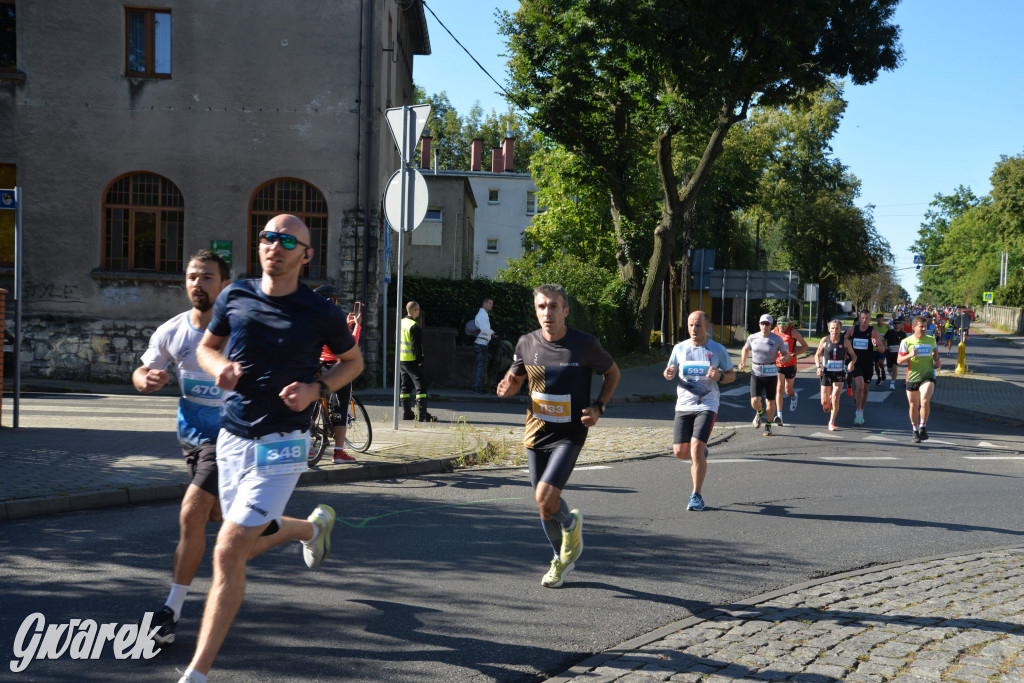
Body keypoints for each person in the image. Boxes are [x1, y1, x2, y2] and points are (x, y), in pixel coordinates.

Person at [179, 215, 364, 683]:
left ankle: (196, 674)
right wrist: (218, 366)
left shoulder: (320, 311)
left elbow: (353, 362)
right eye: (267, 237)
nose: (273, 246)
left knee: (227, 549)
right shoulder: (235, 295)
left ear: (306, 254)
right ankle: (309, 528)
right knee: (236, 534)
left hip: (284, 442)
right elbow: (207, 346)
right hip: (233, 437)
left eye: (286, 240)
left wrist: (315, 389)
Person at [132, 250, 230, 646]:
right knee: (221, 518)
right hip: (190, 440)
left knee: (191, 512)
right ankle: (303, 528)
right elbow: (141, 370)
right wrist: (145, 380)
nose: (198, 283)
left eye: (207, 277)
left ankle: (170, 612)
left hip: (229, 441)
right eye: (192, 276)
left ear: (224, 284)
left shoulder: (240, 332)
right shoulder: (173, 330)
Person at [496, 284, 619, 589]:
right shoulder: (526, 343)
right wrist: (507, 386)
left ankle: (570, 525)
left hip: (570, 434)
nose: (547, 312)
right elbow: (515, 378)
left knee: (545, 497)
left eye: (553, 306)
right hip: (536, 434)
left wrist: (599, 407)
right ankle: (560, 560)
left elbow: (612, 373)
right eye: (541, 307)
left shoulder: (585, 344)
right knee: (543, 506)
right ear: (535, 310)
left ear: (565, 311)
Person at [664, 310, 735, 511]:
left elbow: (732, 375)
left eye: (697, 325)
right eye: (690, 325)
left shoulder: (718, 349)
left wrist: (720, 376)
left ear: (707, 327)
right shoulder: (679, 348)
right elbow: (669, 371)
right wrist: (668, 373)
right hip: (684, 405)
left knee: (695, 448)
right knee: (680, 452)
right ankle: (701, 455)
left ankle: (696, 495)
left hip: (707, 404)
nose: (693, 329)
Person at [313, 285, 363, 463]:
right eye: (335, 300)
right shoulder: (331, 320)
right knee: (340, 407)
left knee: (314, 400)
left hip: (316, 366)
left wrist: (346, 325)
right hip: (336, 368)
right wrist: (356, 326)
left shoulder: (311, 319)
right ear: (330, 300)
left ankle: (308, 447)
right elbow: (350, 345)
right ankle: (339, 453)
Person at [738, 314, 791, 436]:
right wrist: (743, 362)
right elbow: (745, 349)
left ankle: (768, 424)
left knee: (770, 402)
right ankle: (759, 412)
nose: (764, 326)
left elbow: (785, 354)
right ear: (759, 324)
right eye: (762, 323)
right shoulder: (752, 337)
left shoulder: (777, 339)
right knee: (754, 401)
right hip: (756, 372)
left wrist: (784, 358)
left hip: (771, 373)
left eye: (767, 324)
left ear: (771, 325)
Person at [896, 314, 941, 443]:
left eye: (925, 327)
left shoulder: (931, 339)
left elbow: (935, 351)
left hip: (928, 376)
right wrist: (910, 355)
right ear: (913, 327)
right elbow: (899, 361)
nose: (923, 329)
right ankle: (915, 430)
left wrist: (936, 360)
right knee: (913, 405)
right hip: (912, 377)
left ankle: (923, 426)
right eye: (921, 327)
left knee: (925, 399)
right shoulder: (906, 341)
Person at [814, 319, 858, 431]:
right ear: (829, 329)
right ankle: (827, 401)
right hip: (826, 372)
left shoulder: (845, 341)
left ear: (841, 329)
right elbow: (817, 354)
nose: (835, 330)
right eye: (832, 328)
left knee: (836, 397)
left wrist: (851, 363)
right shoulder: (824, 340)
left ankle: (831, 422)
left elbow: (854, 355)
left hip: (839, 372)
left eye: (837, 328)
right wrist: (818, 367)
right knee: (824, 401)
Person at [843, 310, 884, 425]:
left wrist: (876, 345)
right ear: (859, 319)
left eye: (867, 318)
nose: (864, 320)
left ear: (870, 320)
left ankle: (861, 410)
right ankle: (858, 413)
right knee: (860, 386)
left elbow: (882, 349)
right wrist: (845, 352)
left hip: (868, 363)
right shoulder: (852, 330)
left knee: (866, 389)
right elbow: (843, 342)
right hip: (856, 362)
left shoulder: (873, 331)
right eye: (862, 318)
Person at [399, 300, 436, 422]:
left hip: (401, 360)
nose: (419, 311)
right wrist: (419, 360)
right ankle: (422, 414)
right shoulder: (414, 326)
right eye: (418, 309)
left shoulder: (401, 323)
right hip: (412, 360)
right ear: (415, 311)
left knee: (405, 386)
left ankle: (406, 413)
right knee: (420, 387)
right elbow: (416, 346)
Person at [771, 315, 808, 425]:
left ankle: (793, 396)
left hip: (791, 364)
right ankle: (780, 416)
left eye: (783, 324)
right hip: (778, 364)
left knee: (788, 390)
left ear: (788, 324)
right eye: (779, 324)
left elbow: (805, 346)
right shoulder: (774, 331)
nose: (781, 326)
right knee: (779, 389)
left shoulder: (793, 332)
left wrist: (793, 355)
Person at [472, 297, 495, 394]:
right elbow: (485, 330)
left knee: (478, 366)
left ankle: (476, 387)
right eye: (490, 303)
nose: (491, 305)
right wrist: (492, 332)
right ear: (484, 304)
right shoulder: (483, 315)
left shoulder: (482, 314)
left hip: (480, 343)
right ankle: (478, 388)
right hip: (481, 344)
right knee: (481, 367)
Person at [883, 317, 907, 391]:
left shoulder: (903, 334)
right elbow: (884, 340)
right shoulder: (889, 332)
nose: (896, 325)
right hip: (889, 353)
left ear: (900, 325)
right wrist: (885, 346)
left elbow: (906, 343)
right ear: (893, 325)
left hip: (898, 354)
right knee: (890, 369)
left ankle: (892, 383)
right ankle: (891, 373)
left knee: (895, 367)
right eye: (895, 324)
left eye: (897, 323)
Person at [873, 313, 890, 385]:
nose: (879, 320)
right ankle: (878, 377)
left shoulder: (887, 327)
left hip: (883, 347)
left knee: (881, 362)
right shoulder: (873, 326)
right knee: (876, 364)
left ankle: (883, 370)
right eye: (878, 319)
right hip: (874, 348)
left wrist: (888, 345)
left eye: (880, 319)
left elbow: (890, 336)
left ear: (883, 319)